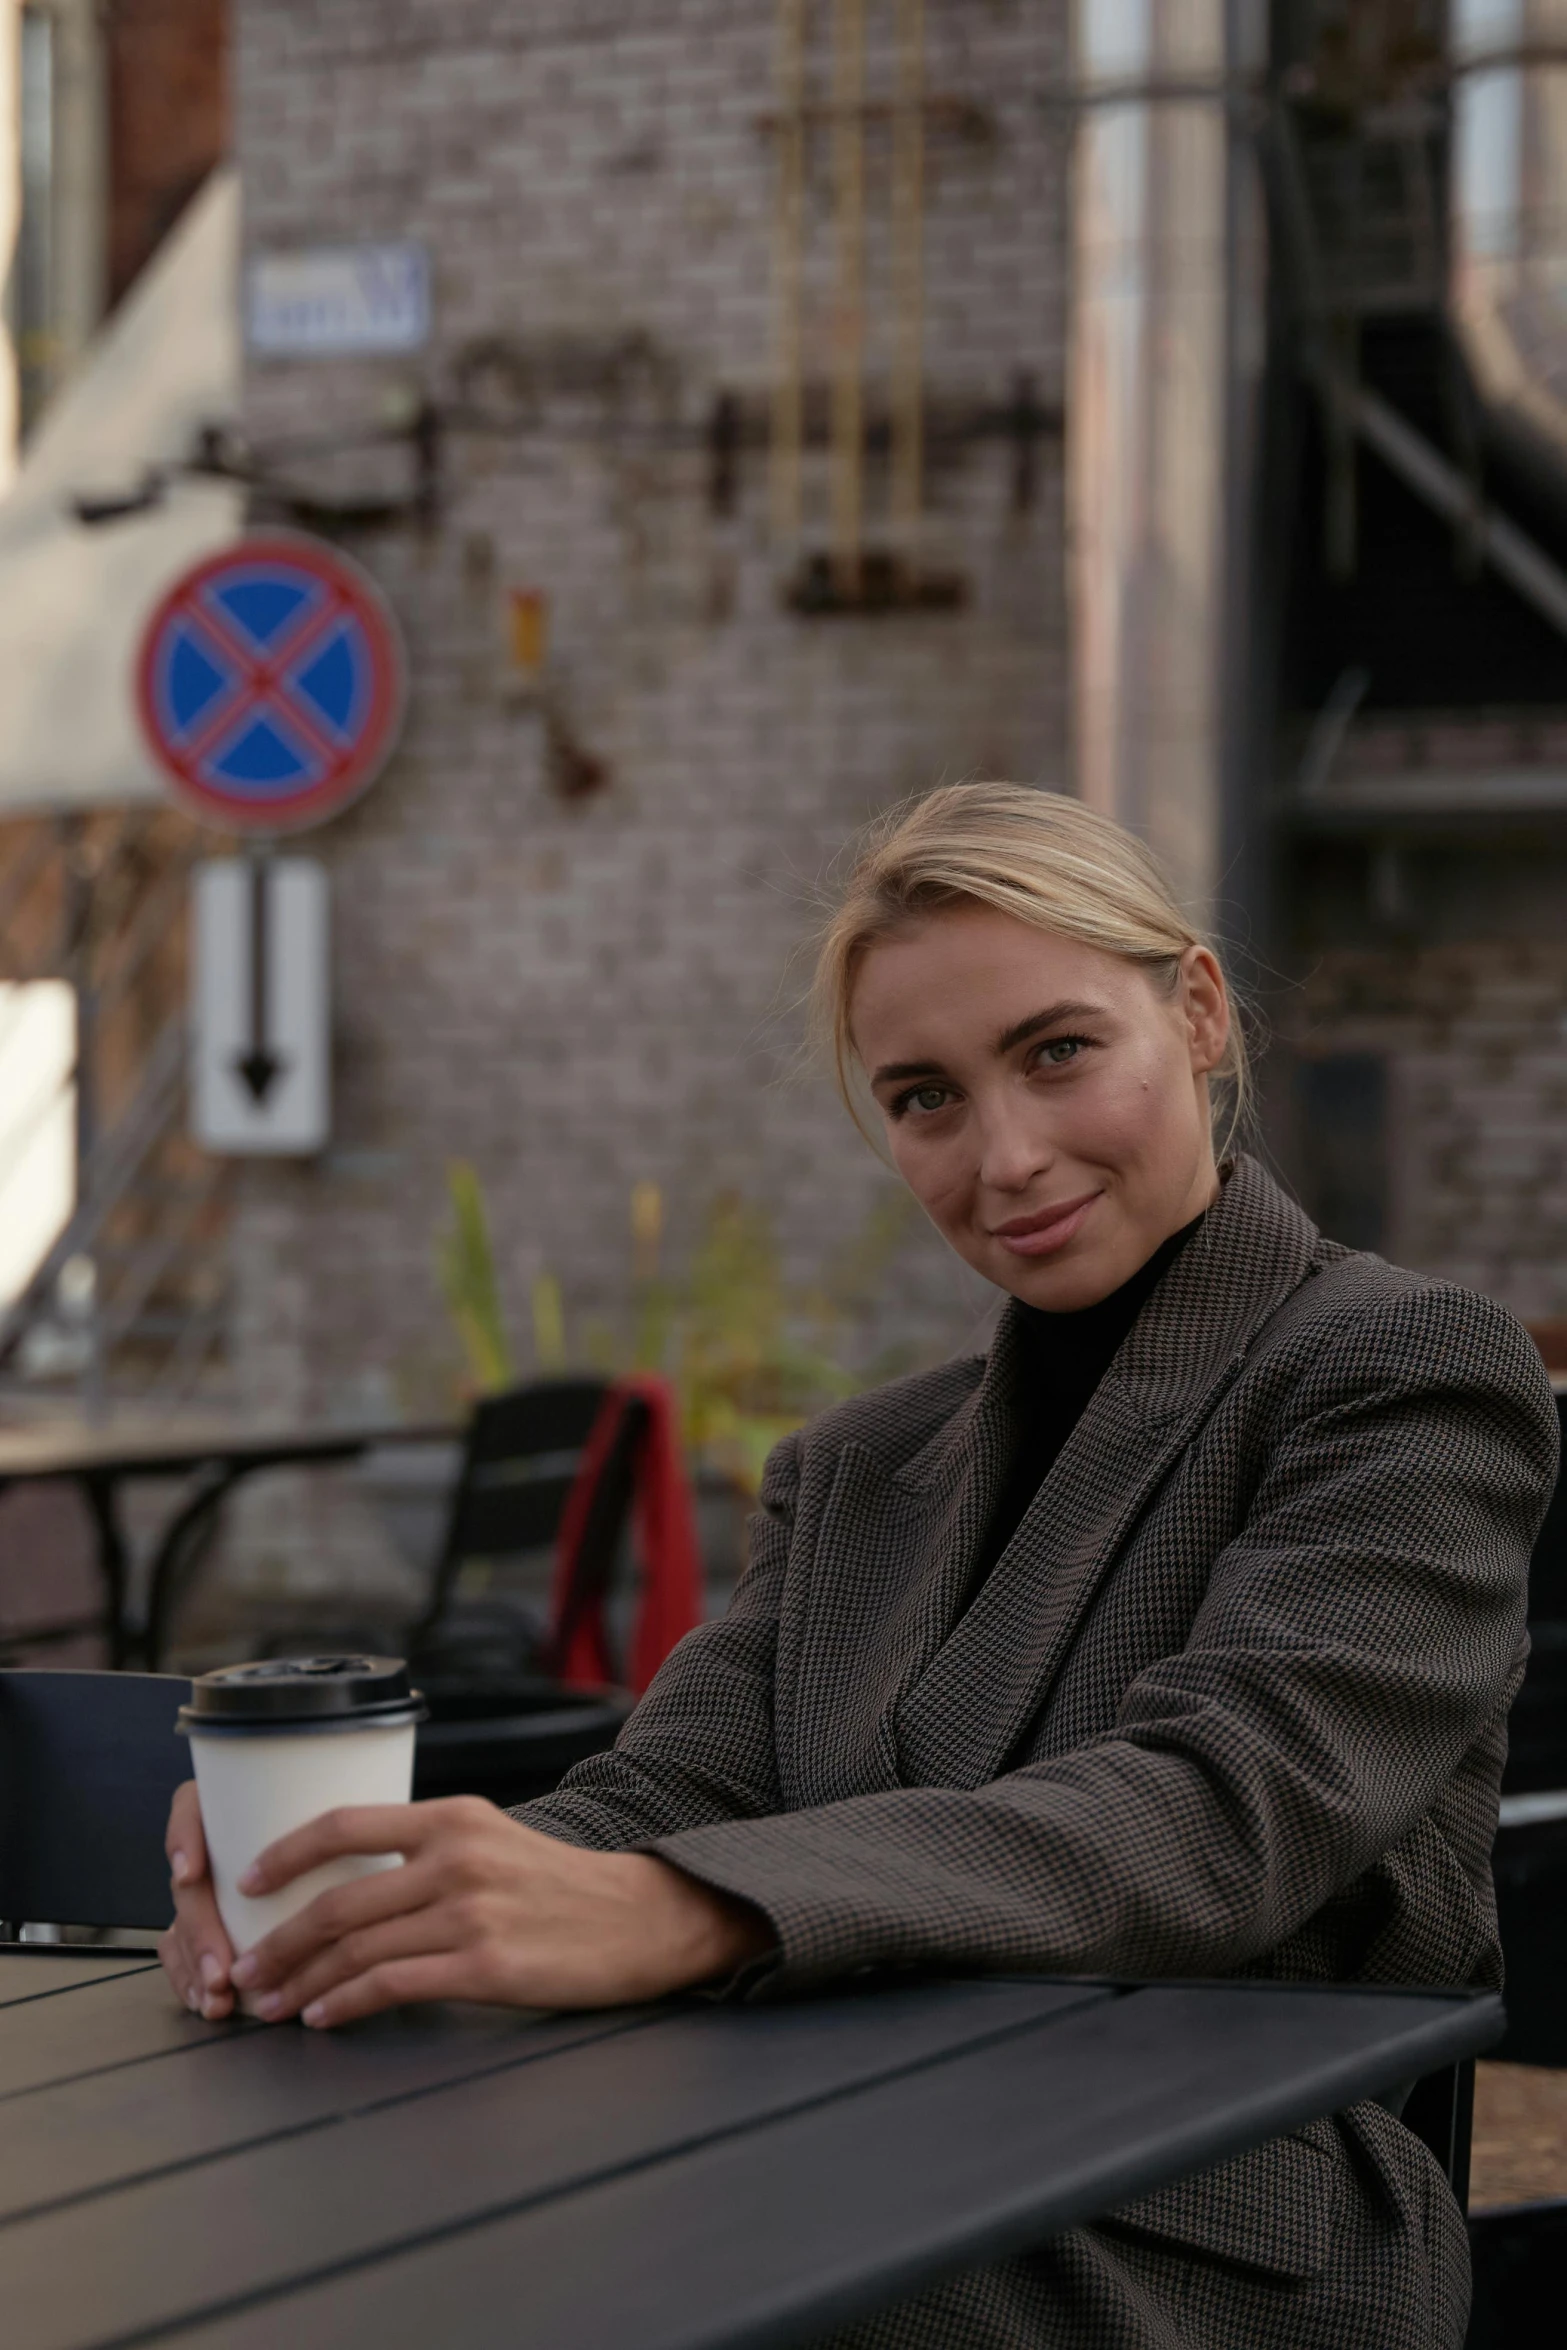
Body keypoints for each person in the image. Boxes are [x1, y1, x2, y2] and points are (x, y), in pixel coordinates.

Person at [159, 783, 1557, 2349]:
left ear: (1200, 1013)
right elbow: (662, 1792)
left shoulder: (1392, 1370)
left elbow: (1220, 1807)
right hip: (834, 2118)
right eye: (924, 1097)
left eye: (1057, 1052)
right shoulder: (858, 1467)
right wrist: (370, 1890)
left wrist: (694, 1913)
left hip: (1200, 2210)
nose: (1005, 1154)